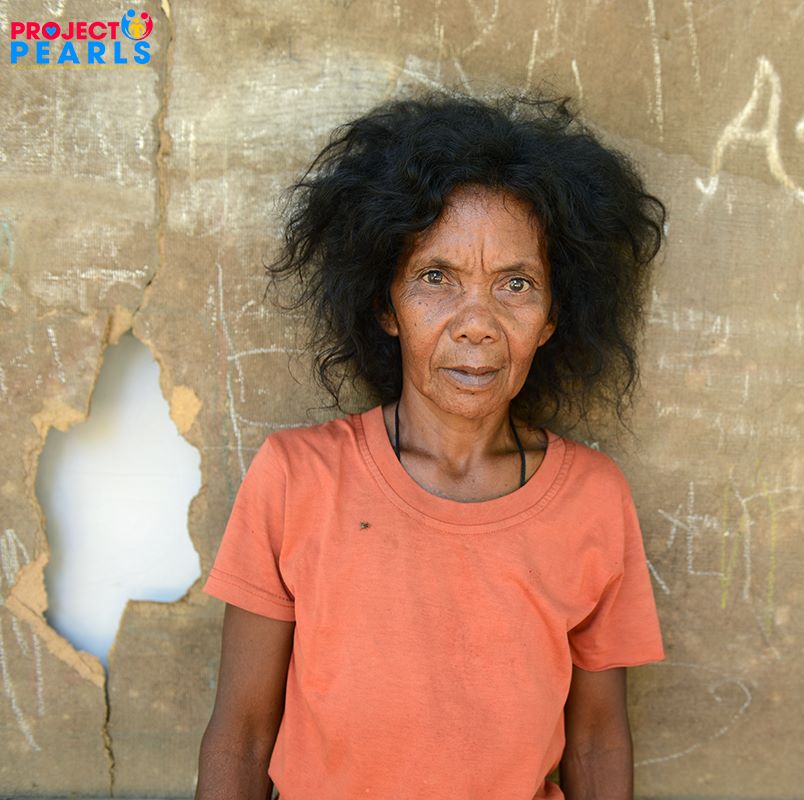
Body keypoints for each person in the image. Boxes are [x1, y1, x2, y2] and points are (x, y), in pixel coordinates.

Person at [195, 90, 668, 799]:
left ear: (551, 319)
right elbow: (242, 734)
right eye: (436, 278)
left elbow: (598, 739)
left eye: (516, 283)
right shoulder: (296, 479)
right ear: (385, 305)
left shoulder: (592, 498)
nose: (476, 322)